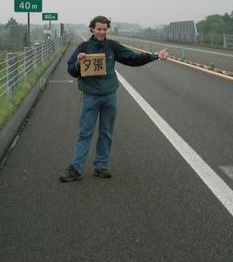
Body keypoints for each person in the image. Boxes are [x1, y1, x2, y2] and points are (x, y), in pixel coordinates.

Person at [59, 15, 169, 182]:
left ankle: (101, 166)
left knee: (106, 132)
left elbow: (132, 59)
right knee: (85, 132)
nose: (102, 32)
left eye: (104, 29)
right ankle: (76, 168)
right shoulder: (83, 47)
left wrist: (154, 56)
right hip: (90, 96)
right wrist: (79, 64)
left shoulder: (112, 46)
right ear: (92, 29)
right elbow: (71, 70)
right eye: (99, 29)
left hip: (110, 95)